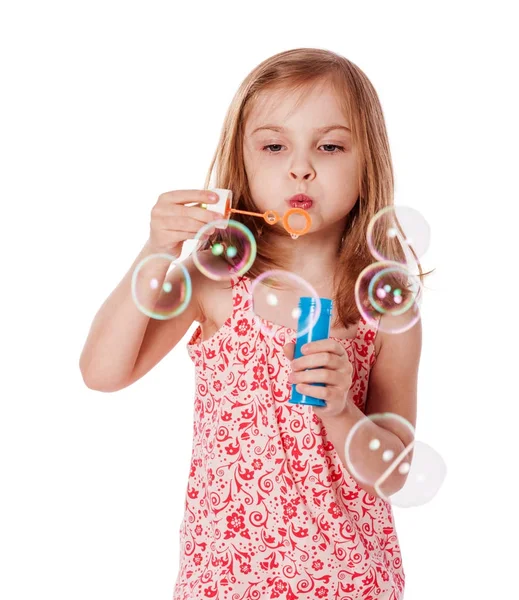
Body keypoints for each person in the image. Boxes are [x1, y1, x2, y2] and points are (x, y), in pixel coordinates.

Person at [80, 47, 426, 600]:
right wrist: (155, 251)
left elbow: (394, 474)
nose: (301, 166)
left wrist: (341, 412)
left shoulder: (385, 307)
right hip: (225, 578)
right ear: (242, 163)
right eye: (274, 145)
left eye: (330, 145)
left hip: (351, 580)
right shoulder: (216, 281)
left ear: (370, 165)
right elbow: (102, 372)